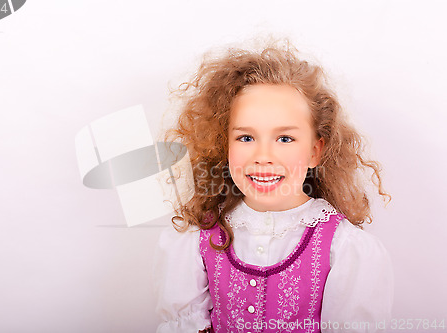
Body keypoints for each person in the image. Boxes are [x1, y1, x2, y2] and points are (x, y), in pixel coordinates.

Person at [154, 39, 394, 333]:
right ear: (224, 145)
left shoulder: (344, 248)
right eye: (246, 138)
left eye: (284, 139)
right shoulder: (197, 238)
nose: (263, 157)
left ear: (314, 152)